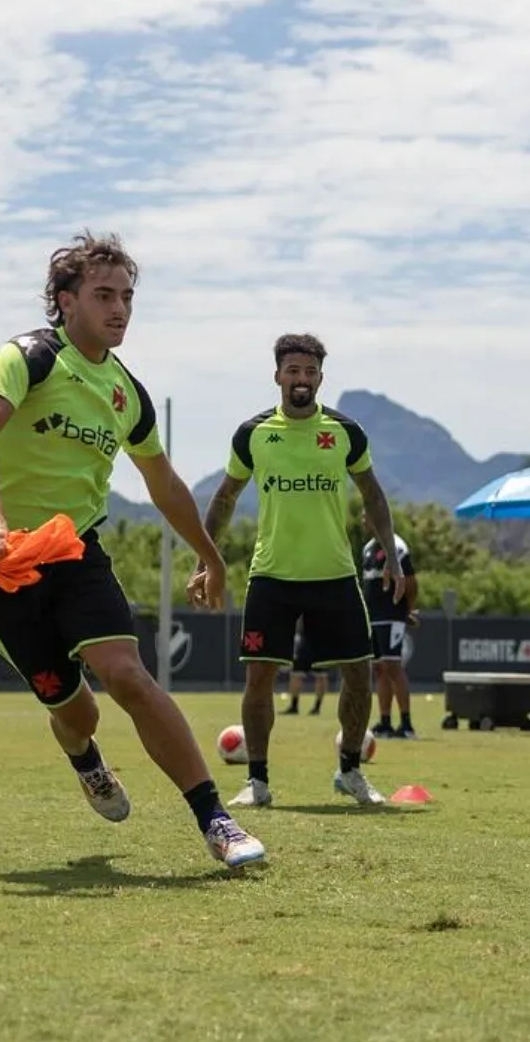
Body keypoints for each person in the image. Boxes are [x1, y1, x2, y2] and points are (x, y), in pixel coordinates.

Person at [0, 231, 263, 867]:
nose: (119, 309)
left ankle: (216, 820)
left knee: (128, 675)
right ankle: (86, 760)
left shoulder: (127, 393)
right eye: (103, 295)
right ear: (66, 301)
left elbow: (164, 483)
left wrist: (210, 554)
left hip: (73, 553)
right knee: (78, 712)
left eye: (126, 296)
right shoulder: (29, 357)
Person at [200, 334, 405, 808]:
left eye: (310, 372)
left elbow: (373, 495)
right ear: (277, 376)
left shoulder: (345, 432)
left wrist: (392, 559)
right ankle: (257, 782)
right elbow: (225, 497)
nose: (301, 380)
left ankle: (350, 772)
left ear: (320, 379)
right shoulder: (252, 434)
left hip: (334, 575)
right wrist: (205, 559)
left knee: (359, 674)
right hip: (271, 576)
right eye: (293, 371)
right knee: (259, 679)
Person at [359, 510, 419, 739]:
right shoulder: (367, 548)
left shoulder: (397, 546)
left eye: (368, 516)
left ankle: (406, 724)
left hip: (391, 616)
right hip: (372, 617)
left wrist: (408, 610)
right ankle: (385, 722)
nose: (364, 520)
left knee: (394, 666)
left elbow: (411, 583)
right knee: (379, 669)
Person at [282, 618, 330, 716]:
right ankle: (295, 706)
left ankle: (316, 707)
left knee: (321, 675)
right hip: (308, 638)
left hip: (321, 638)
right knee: (296, 673)